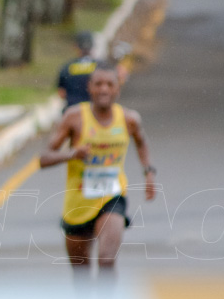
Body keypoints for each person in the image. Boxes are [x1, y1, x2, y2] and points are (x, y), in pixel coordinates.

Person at [40, 64, 156, 281]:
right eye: (98, 84)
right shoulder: (74, 118)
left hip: (112, 195)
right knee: (81, 274)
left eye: (110, 84)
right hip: (78, 202)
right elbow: (44, 158)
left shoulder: (129, 119)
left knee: (106, 261)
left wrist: (149, 172)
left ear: (117, 90)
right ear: (89, 88)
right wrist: (72, 153)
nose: (104, 89)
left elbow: (141, 142)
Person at [56, 31, 100, 112]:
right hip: (95, 113)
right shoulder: (101, 67)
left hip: (72, 112)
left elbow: (61, 93)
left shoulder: (67, 68)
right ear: (92, 46)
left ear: (75, 46)